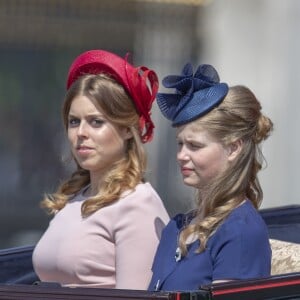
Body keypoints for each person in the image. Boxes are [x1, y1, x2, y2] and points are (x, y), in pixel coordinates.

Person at [32, 49, 170, 290]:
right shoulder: (73, 199)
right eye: (74, 121)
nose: (81, 133)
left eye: (96, 122)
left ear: (128, 129)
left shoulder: (137, 205)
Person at [148, 63, 273, 291]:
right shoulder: (175, 228)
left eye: (194, 145)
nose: (181, 155)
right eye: (180, 143)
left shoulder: (241, 230)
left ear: (233, 148)